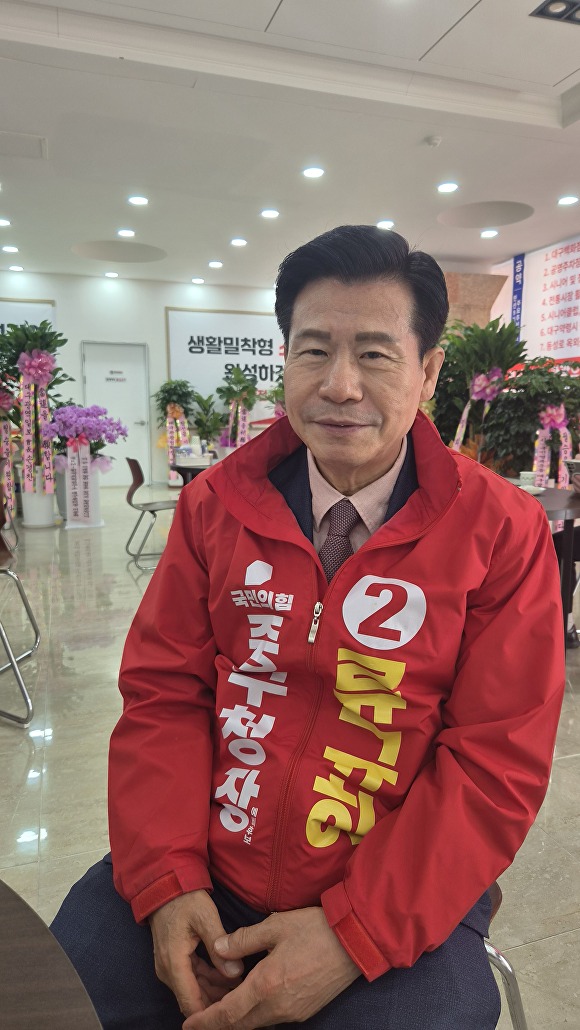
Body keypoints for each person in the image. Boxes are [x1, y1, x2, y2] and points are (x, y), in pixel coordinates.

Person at [51, 225, 565, 1030]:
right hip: (208, 858)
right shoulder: (215, 505)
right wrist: (168, 881)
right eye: (314, 350)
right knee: (56, 992)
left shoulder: (501, 531)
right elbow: (165, 696)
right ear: (285, 359)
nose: (340, 386)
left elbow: (493, 762)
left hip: (390, 890)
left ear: (429, 372)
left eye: (375, 355)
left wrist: (353, 932)